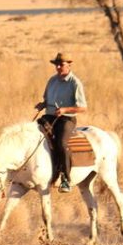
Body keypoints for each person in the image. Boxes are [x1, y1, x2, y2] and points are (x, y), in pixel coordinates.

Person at [35, 52, 87, 193]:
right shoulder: (52, 81)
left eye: (61, 64)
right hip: (50, 117)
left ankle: (65, 178)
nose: (58, 67)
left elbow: (82, 107)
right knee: (34, 135)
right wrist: (42, 105)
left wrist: (65, 110)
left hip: (66, 118)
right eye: (56, 64)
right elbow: (47, 100)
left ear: (69, 65)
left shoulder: (74, 83)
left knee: (61, 143)